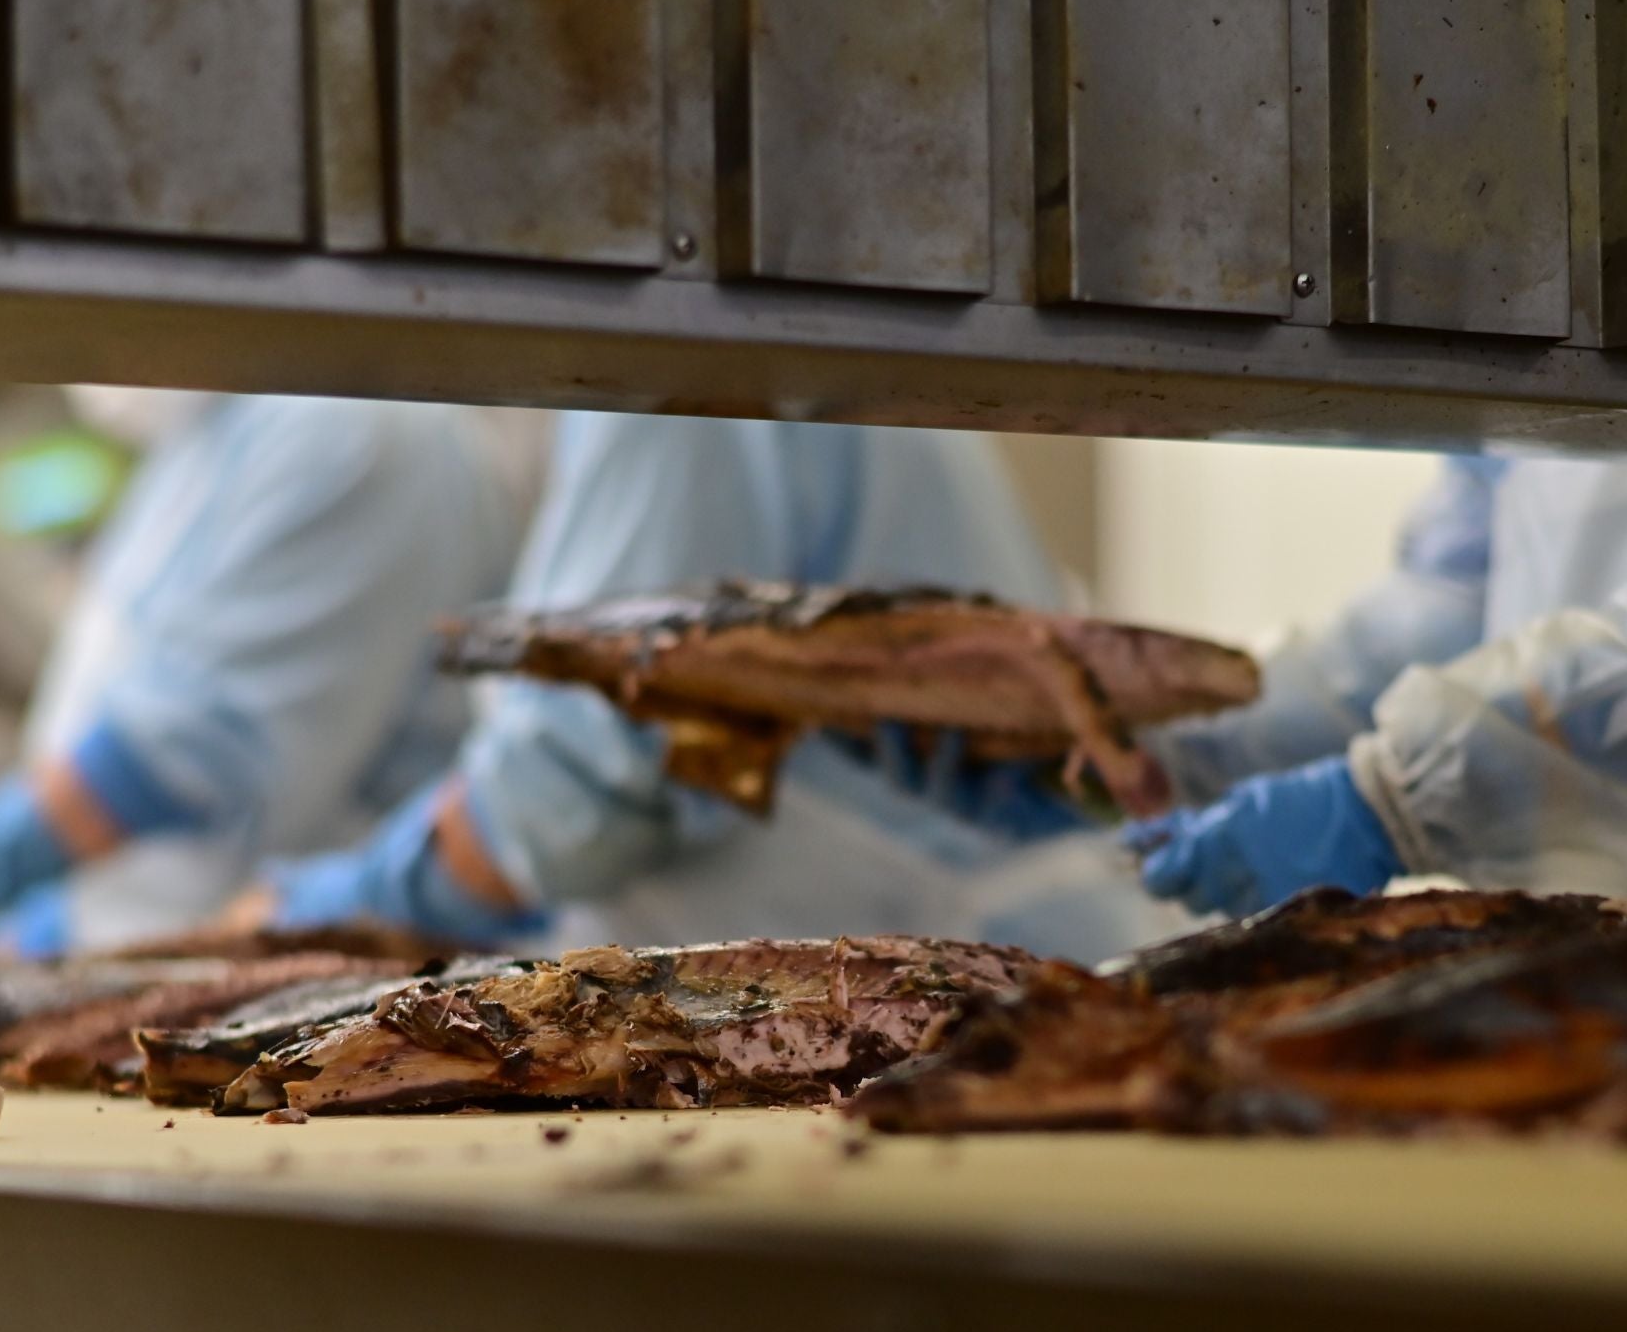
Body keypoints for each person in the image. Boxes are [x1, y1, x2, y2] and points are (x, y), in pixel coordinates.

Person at [256, 413, 1179, 964]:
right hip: (907, 970)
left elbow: (576, 798)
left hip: (933, 996)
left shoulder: (686, 383)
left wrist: (328, 905)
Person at [1129, 457, 1627, 925]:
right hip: (1611, 954)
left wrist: (1397, 799)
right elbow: (1458, 601)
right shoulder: (1528, 233)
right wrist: (1188, 747)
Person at [0, 390, 534, 952]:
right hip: (157, 944)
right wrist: (35, 937)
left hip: (320, 974)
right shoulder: (209, 434)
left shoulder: (347, 426)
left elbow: (170, 762)